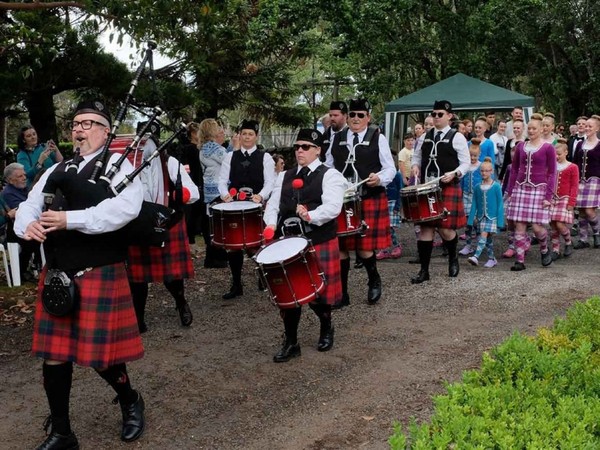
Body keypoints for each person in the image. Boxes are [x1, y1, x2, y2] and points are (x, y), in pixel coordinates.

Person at [14, 100, 146, 448]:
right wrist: (26, 224)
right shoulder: (59, 168)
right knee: (54, 354)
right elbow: (30, 202)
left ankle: (130, 399)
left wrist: (69, 220)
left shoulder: (120, 167)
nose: (80, 129)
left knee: (101, 357)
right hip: (57, 273)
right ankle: (62, 433)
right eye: (76, 123)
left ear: (106, 132)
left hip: (97, 271)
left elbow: (123, 210)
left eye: (89, 123)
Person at [263, 128, 345, 362]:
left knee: (320, 293)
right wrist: (270, 224)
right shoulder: (284, 176)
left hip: (317, 239)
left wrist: (311, 215)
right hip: (288, 242)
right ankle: (291, 342)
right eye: (297, 146)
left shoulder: (330, 175)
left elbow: (333, 207)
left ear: (317, 150)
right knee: (289, 294)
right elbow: (273, 205)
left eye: (305, 146)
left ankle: (326, 327)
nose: (300, 150)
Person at [127, 127, 200, 333]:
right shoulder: (127, 165)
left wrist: (182, 194)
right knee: (137, 276)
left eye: (149, 141)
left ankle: (181, 303)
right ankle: (139, 318)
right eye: (141, 141)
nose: (145, 146)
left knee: (172, 274)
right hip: (139, 224)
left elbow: (193, 192)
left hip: (168, 221)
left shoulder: (170, 163)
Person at [327, 98, 395, 305]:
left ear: (368, 117)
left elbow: (390, 169)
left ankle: (374, 280)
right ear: (347, 117)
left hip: (368, 197)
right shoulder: (337, 138)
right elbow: (328, 167)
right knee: (341, 246)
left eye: (361, 115)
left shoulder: (378, 137)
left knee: (364, 247)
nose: (356, 118)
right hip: (343, 200)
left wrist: (379, 178)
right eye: (352, 115)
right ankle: (342, 293)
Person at [410, 100, 470, 283]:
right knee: (426, 229)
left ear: (449, 116)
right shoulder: (424, 136)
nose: (436, 117)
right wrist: (415, 165)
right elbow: (417, 155)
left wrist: (454, 174)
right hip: (426, 189)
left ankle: (453, 258)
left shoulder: (457, 137)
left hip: (447, 187)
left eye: (440, 114)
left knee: (445, 230)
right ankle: (424, 271)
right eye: (434, 114)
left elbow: (465, 163)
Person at [218, 119, 275, 299]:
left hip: (256, 205)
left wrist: (262, 196)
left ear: (256, 136)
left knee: (257, 243)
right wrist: (224, 194)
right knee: (234, 246)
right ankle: (236, 284)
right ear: (239, 136)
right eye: (244, 134)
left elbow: (270, 182)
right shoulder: (230, 156)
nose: (247, 137)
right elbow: (221, 181)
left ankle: (262, 275)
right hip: (234, 206)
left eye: (251, 134)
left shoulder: (265, 157)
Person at [505, 113, 557, 270]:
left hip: (539, 190)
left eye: (535, 128)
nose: (531, 131)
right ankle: (520, 261)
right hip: (521, 189)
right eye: (530, 128)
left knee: (536, 228)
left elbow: (552, 173)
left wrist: (548, 196)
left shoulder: (548, 148)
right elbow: (514, 169)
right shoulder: (521, 146)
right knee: (519, 225)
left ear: (541, 129)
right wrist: (510, 189)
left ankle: (544, 249)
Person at [1, 162, 42, 280]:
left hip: (26, 228)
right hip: (12, 231)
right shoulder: (8, 193)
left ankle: (30, 268)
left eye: (24, 175)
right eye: (20, 176)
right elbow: (21, 213)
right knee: (36, 237)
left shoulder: (24, 189)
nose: (24, 178)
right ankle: (32, 268)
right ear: (10, 180)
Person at [198, 119, 229, 268]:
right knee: (219, 225)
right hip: (218, 189)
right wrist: (233, 146)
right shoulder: (214, 148)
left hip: (209, 189)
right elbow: (229, 160)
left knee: (211, 224)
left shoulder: (204, 148)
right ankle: (218, 257)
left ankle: (212, 256)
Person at [467, 157, 504, 267]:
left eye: (487, 170)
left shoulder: (496, 186)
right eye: (482, 170)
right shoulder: (477, 187)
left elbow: (500, 204)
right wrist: (471, 219)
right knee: (487, 239)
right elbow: (474, 203)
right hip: (481, 217)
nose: (484, 173)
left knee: (483, 234)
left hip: (492, 217)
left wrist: (500, 222)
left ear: (492, 171)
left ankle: (476, 256)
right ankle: (492, 259)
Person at [572, 116, 600, 249]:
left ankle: (597, 232)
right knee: (582, 210)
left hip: (594, 180)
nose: (587, 128)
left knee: (589, 211)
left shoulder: (599, 144)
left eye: (590, 126)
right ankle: (583, 239)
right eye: (586, 126)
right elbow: (576, 162)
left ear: (597, 128)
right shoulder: (579, 144)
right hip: (580, 180)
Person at [549, 139, 578, 259]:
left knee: (560, 224)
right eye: (555, 154)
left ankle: (568, 241)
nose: (557, 156)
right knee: (553, 225)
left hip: (564, 198)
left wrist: (572, 202)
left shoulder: (572, 167)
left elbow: (574, 185)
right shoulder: (551, 166)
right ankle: (556, 249)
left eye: (559, 154)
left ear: (566, 152)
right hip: (552, 198)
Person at [459, 139, 482, 256]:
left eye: (475, 156)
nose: (472, 158)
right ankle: (468, 245)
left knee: (476, 221)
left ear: (479, 155)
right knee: (468, 222)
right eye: (471, 156)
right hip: (466, 196)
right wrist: (460, 193)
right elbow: (461, 182)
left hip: (477, 197)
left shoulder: (481, 167)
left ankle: (478, 244)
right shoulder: (465, 167)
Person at [376, 169, 403, 260]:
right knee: (382, 227)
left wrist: (397, 206)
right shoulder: (380, 175)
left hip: (393, 202)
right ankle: (384, 249)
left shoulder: (397, 175)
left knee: (389, 227)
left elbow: (400, 190)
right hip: (383, 202)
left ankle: (396, 246)